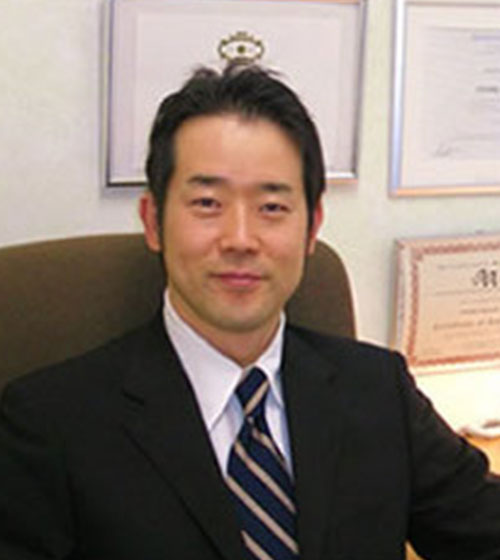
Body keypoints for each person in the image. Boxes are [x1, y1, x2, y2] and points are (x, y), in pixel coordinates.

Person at [1, 64, 499, 560]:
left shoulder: (378, 390)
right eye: (207, 203)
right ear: (153, 222)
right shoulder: (48, 425)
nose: (240, 239)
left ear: (312, 228)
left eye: (272, 208)